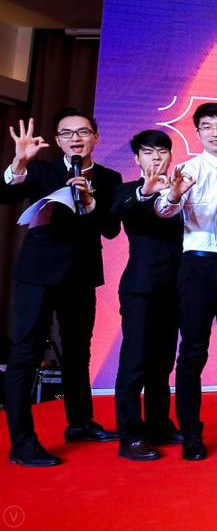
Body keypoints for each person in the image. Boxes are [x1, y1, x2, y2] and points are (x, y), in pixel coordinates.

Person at [2, 112, 123, 466]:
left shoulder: (109, 178)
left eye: (83, 132)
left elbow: (111, 230)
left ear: (96, 137)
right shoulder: (40, 171)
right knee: (25, 354)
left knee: (77, 352)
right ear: (57, 140)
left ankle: (80, 423)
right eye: (67, 133)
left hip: (81, 275)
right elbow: (5, 195)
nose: (75, 138)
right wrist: (18, 164)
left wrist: (90, 202)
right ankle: (22, 443)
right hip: (38, 275)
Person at [155, 101, 217, 460]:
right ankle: (191, 432)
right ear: (197, 132)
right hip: (198, 266)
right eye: (208, 127)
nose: (216, 133)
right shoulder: (187, 169)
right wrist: (174, 194)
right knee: (194, 352)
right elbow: (163, 211)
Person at [112, 130, 184, 461]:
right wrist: (145, 192)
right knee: (135, 361)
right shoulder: (128, 192)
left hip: (176, 288)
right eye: (148, 152)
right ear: (137, 158)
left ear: (170, 155)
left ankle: (158, 425)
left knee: (162, 362)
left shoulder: (182, 189)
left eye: (162, 151)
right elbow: (123, 214)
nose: (156, 157)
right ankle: (130, 435)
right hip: (140, 289)